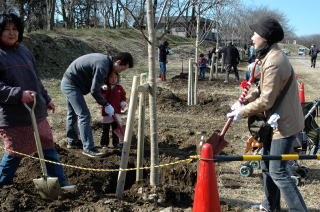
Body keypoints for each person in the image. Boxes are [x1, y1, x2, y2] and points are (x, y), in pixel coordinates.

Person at [227, 16, 308, 211]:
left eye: (255, 33)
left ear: (264, 36)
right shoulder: (270, 55)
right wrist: (245, 100)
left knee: (278, 171)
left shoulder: (274, 61)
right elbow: (264, 89)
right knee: (266, 165)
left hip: (283, 125)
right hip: (274, 122)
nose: (252, 37)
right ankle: (271, 205)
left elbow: (267, 100)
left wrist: (242, 112)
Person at [0, 10, 75, 190]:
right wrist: (19, 94)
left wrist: (46, 98)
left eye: (15, 29)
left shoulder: (24, 50)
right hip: (13, 115)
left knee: (48, 147)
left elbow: (35, 78)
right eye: (7, 29)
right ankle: (3, 183)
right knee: (14, 152)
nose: (12, 32)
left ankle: (60, 183)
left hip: (36, 109)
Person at [60, 52, 133, 158]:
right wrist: (106, 104)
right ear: (118, 62)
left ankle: (72, 141)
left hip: (72, 83)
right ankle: (88, 148)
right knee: (84, 115)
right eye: (122, 69)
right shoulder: (102, 65)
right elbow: (94, 91)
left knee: (73, 113)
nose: (120, 72)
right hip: (71, 84)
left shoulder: (106, 62)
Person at [100, 72, 127, 149]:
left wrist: (123, 102)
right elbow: (101, 97)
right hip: (106, 112)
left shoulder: (119, 88)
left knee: (116, 128)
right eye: (111, 77)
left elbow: (123, 96)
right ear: (107, 78)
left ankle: (116, 143)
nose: (113, 79)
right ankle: (104, 143)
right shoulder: (105, 87)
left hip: (116, 112)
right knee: (106, 129)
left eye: (115, 78)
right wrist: (103, 89)